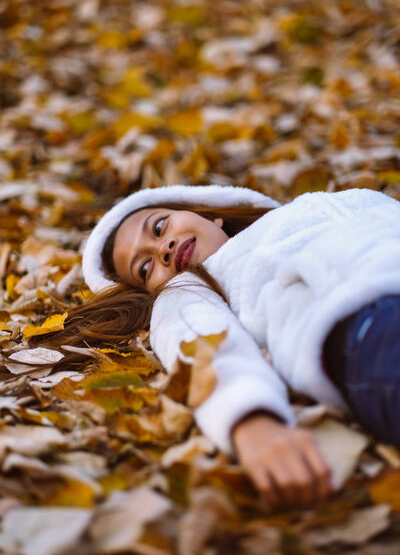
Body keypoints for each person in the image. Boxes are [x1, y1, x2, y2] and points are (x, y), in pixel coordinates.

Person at [47, 184, 400, 510]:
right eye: (145, 267)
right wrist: (250, 421)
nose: (162, 248)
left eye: (158, 228)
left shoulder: (313, 205)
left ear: (210, 212)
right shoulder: (190, 289)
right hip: (368, 325)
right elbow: (199, 339)